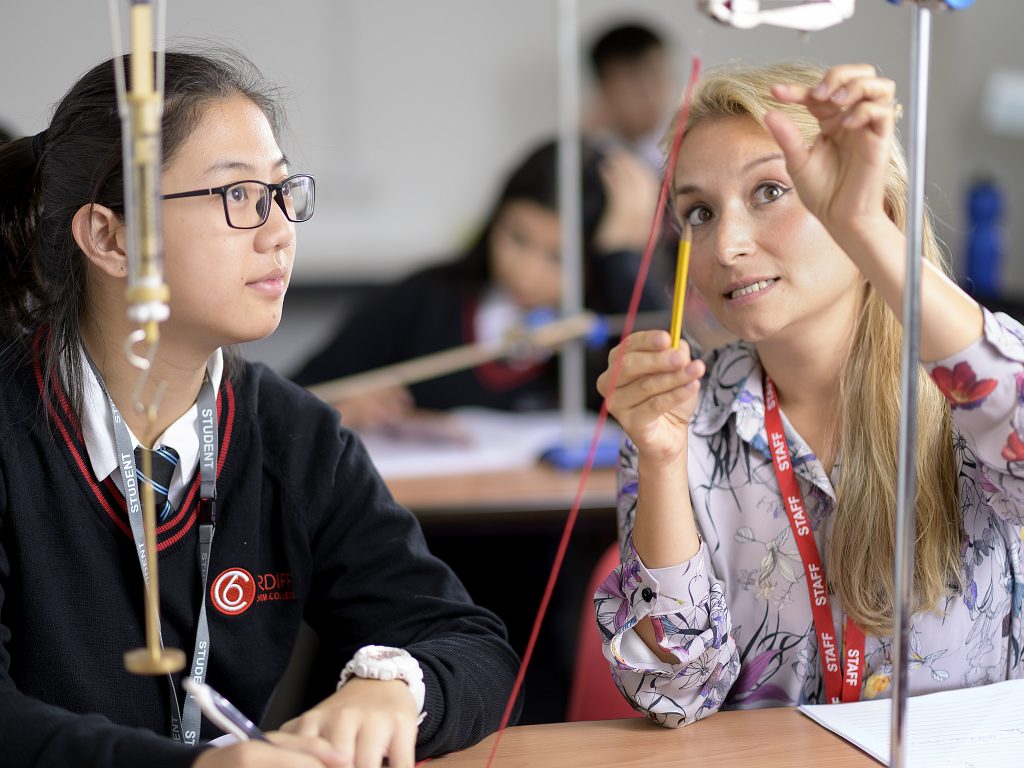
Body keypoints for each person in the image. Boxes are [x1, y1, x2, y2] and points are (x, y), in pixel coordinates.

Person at [0, 50, 519, 767]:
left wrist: (398, 685)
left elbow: (472, 645)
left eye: (281, 193)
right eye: (238, 196)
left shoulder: (294, 436)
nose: (279, 231)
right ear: (109, 238)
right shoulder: (10, 430)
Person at [594, 60, 1024, 725]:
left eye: (769, 191)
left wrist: (868, 231)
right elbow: (674, 695)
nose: (727, 244)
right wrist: (657, 456)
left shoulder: (965, 389)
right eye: (699, 213)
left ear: (872, 201)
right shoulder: (684, 421)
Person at [292, 138, 666, 430]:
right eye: (517, 238)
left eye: (558, 258)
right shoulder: (424, 299)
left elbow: (663, 402)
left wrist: (622, 259)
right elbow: (293, 394)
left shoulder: (607, 323)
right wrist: (337, 409)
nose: (525, 271)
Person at [586, 22, 674, 173]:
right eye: (635, 83)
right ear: (604, 89)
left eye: (658, 77)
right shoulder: (584, 161)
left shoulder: (684, 151)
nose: (650, 95)